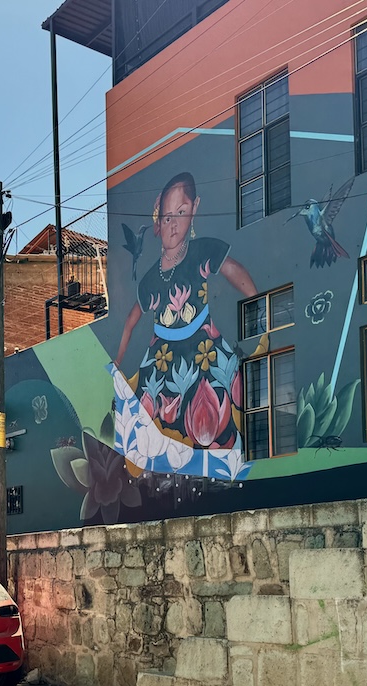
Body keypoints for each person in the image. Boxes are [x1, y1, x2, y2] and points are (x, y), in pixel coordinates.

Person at [112, 172, 257, 475]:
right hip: (162, 355)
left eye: (182, 213)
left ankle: (223, 468)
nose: (174, 224)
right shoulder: (151, 277)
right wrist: (119, 360)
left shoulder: (202, 251)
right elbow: (130, 322)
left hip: (204, 346)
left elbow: (233, 269)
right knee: (150, 419)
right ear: (157, 220)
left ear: (195, 209)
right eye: (167, 217)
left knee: (226, 396)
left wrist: (260, 303)